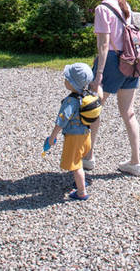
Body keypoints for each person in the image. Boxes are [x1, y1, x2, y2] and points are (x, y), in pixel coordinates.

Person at [84, 0, 140, 177]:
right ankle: (135, 162)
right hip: (131, 60)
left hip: (110, 61)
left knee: (93, 108)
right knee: (129, 112)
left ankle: (89, 157)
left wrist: (98, 75)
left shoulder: (102, 8)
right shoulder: (124, 5)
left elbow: (103, 44)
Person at [46, 62, 94, 200]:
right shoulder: (87, 96)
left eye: (67, 79)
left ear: (73, 83)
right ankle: (82, 180)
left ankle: (81, 192)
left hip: (74, 138)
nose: (65, 81)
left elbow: (62, 120)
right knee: (79, 159)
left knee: (76, 165)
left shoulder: (70, 102)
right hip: (86, 136)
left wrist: (52, 136)